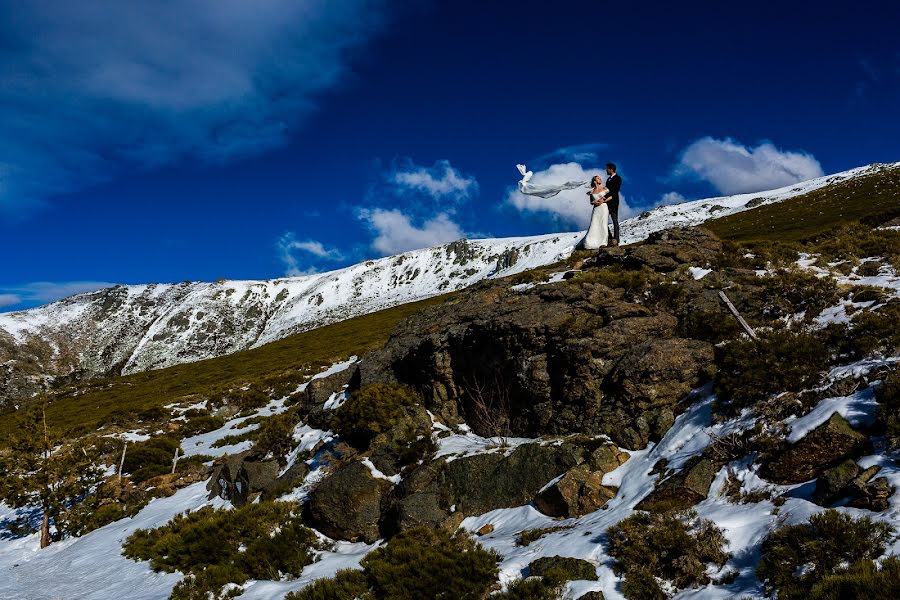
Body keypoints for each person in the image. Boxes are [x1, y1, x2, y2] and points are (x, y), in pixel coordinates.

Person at [579, 175, 610, 249]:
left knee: (603, 223)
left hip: (604, 207)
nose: (600, 179)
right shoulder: (592, 191)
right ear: (595, 181)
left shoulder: (605, 188)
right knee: (594, 223)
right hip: (596, 209)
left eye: (600, 178)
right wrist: (595, 202)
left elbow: (610, 196)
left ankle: (603, 242)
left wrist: (603, 200)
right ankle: (590, 242)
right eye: (598, 178)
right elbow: (591, 202)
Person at [605, 163, 622, 246]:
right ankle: (610, 238)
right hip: (606, 202)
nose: (606, 170)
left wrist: (608, 192)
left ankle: (616, 239)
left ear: (611, 169)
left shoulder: (618, 178)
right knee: (603, 219)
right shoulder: (608, 180)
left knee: (614, 220)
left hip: (614, 201)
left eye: (607, 169)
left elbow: (615, 190)